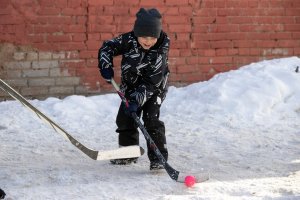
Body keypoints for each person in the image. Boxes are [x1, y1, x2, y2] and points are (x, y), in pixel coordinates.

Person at [98, 8, 170, 170]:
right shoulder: (128, 40)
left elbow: (152, 82)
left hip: (155, 87)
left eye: (152, 37)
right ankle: (128, 154)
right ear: (136, 33)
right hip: (131, 85)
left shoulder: (160, 53)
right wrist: (105, 65)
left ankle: (158, 158)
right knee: (125, 118)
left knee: (151, 119)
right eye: (144, 37)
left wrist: (137, 101)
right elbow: (107, 47)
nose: (148, 41)